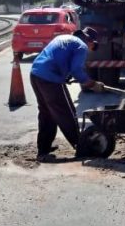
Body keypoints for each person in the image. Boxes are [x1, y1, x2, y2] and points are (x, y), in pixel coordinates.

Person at [30, 27, 105, 162]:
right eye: (93, 46)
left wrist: (65, 76)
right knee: (66, 112)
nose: (90, 50)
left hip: (36, 74)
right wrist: (91, 84)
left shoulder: (64, 38)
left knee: (47, 112)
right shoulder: (81, 46)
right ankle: (81, 147)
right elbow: (76, 69)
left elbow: (57, 58)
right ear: (90, 41)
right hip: (50, 78)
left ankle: (43, 150)